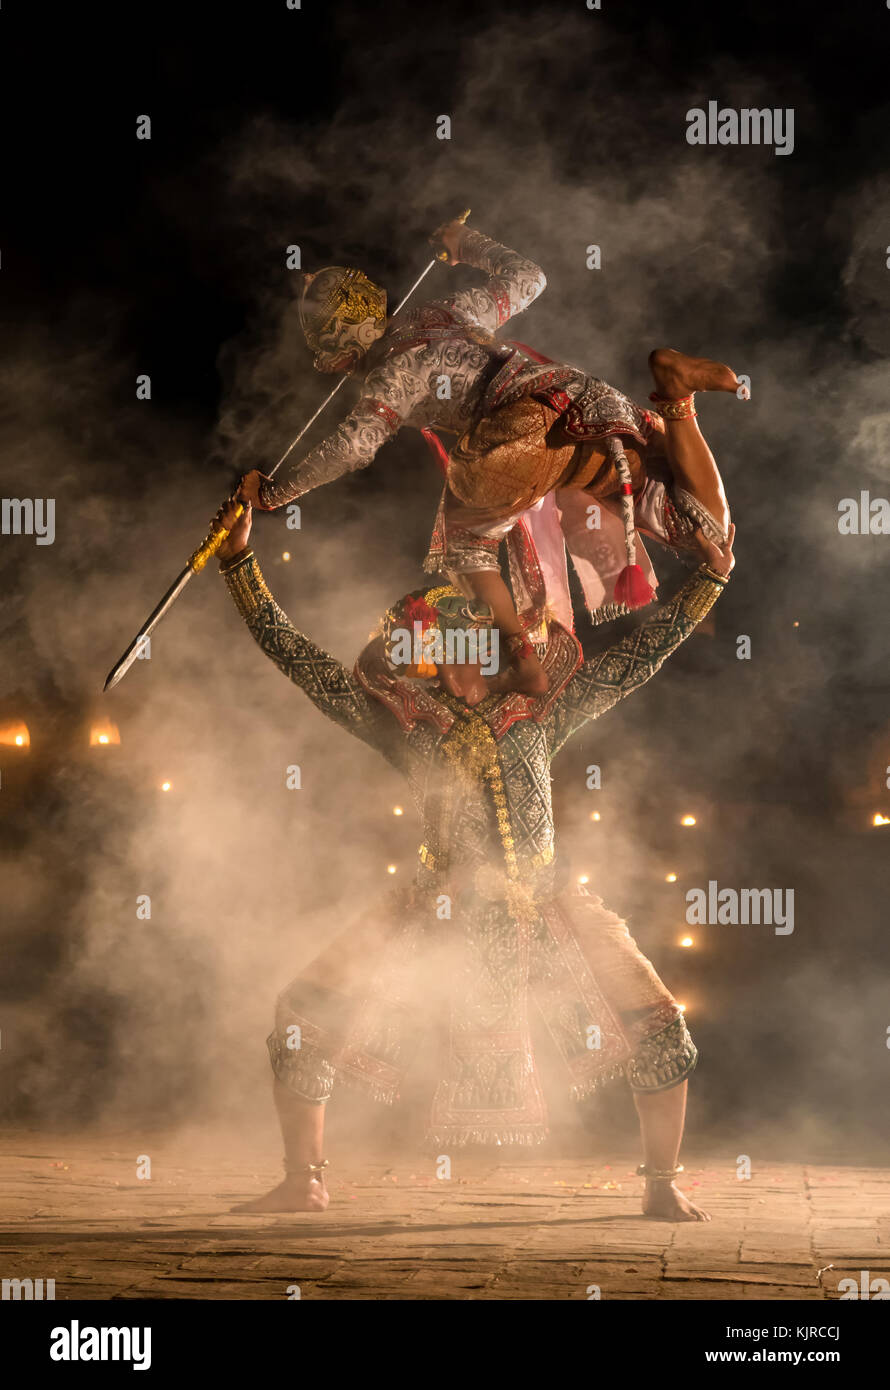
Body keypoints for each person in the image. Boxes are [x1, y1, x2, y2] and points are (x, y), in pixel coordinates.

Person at [212, 494, 735, 1221]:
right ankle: (305, 1181)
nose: (458, 659)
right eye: (443, 644)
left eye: (474, 639)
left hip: (543, 903)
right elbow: (305, 666)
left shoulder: (543, 713)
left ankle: (659, 1182)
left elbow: (635, 661)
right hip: (437, 906)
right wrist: (240, 564)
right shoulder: (406, 726)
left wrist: (710, 580)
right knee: (300, 1016)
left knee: (660, 1027)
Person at [237, 218, 742, 701]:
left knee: (465, 546)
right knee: (703, 528)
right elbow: (531, 278)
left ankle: (525, 664)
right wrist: (466, 241)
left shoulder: (391, 374)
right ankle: (677, 404)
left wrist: (276, 493)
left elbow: (354, 447)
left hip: (520, 433)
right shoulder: (447, 310)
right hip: (580, 398)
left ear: (343, 353)